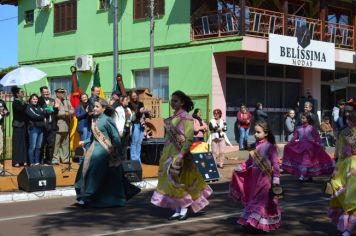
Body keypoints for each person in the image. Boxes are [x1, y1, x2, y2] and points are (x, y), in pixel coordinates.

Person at [151, 91, 212, 221]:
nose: (172, 103)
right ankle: (178, 209)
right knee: (172, 180)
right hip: (169, 153)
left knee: (180, 180)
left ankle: (183, 208)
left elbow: (189, 138)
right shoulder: (172, 118)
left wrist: (181, 154)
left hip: (181, 153)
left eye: (175, 101)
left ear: (182, 102)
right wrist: (164, 151)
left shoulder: (187, 118)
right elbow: (168, 138)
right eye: (172, 100)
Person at [75, 99, 140, 208]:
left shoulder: (107, 120)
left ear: (103, 109)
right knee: (84, 171)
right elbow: (92, 137)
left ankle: (88, 197)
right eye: (94, 106)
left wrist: (119, 153)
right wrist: (84, 141)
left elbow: (115, 137)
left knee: (94, 173)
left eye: (97, 106)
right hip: (93, 149)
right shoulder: (95, 120)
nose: (94, 108)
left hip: (104, 151)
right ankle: (85, 196)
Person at [229, 121, 281, 232]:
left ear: (266, 133)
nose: (255, 134)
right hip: (254, 177)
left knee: (261, 200)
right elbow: (249, 162)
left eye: (258, 132)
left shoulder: (270, 147)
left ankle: (258, 223)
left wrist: (276, 179)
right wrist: (239, 168)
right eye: (255, 132)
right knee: (254, 198)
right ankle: (253, 221)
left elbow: (276, 164)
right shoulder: (254, 147)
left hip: (265, 178)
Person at [327, 99, 356, 236]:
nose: (348, 114)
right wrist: (335, 167)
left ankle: (348, 228)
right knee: (345, 196)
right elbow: (338, 150)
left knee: (353, 196)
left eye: (351, 111)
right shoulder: (345, 128)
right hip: (345, 165)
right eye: (346, 112)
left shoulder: (347, 129)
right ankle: (347, 226)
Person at [282, 113, 334, 181]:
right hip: (301, 147)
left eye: (304, 118)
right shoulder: (299, 128)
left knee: (306, 161)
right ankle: (306, 175)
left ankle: (303, 176)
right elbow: (294, 138)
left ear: (308, 119)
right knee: (304, 161)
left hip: (310, 147)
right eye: (301, 118)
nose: (302, 119)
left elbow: (317, 137)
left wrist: (321, 144)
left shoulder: (311, 128)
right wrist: (289, 144)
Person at [52, 88, 74, 165]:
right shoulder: (54, 101)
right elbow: (54, 113)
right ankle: (55, 159)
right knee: (56, 143)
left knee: (65, 143)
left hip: (67, 125)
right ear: (57, 93)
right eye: (61, 92)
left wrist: (69, 113)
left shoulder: (67, 101)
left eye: (63, 92)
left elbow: (72, 110)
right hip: (58, 124)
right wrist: (65, 113)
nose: (62, 94)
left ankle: (65, 159)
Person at [38, 86, 57, 165]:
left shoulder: (51, 100)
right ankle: (41, 159)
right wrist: (49, 109)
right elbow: (45, 112)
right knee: (42, 144)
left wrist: (55, 109)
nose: (46, 93)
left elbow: (52, 112)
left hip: (51, 125)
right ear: (41, 93)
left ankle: (49, 160)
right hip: (43, 125)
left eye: (47, 92)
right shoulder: (39, 100)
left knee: (51, 144)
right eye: (44, 92)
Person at [25, 94, 46, 166]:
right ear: (30, 100)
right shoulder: (28, 107)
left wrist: (41, 115)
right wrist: (42, 116)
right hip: (33, 129)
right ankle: (31, 162)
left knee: (38, 147)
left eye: (36, 99)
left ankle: (37, 162)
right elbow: (33, 116)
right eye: (33, 99)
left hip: (41, 129)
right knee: (32, 147)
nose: (35, 100)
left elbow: (44, 113)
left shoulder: (39, 107)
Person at [11, 86, 28, 167]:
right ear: (17, 94)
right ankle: (16, 161)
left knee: (23, 143)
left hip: (23, 125)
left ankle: (23, 160)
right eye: (21, 92)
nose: (23, 93)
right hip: (17, 125)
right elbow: (20, 110)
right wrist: (26, 103)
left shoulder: (22, 101)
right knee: (17, 143)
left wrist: (25, 103)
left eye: (23, 92)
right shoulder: (15, 102)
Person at [113, 94, 132, 160]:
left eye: (128, 100)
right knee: (119, 147)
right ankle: (118, 161)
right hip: (121, 130)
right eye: (126, 100)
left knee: (125, 147)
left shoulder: (129, 109)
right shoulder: (118, 109)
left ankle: (124, 161)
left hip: (127, 130)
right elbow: (115, 121)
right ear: (121, 101)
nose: (128, 101)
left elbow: (130, 119)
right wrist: (119, 131)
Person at [128, 91, 146, 163]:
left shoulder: (141, 103)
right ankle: (134, 160)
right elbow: (132, 116)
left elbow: (143, 113)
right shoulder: (129, 104)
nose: (134, 97)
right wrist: (139, 111)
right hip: (134, 124)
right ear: (131, 96)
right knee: (134, 142)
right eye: (133, 96)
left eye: (135, 95)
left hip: (141, 124)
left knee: (139, 142)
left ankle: (138, 159)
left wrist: (144, 115)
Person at [0, 92, 9, 158]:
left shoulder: (2, 102)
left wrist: (6, 112)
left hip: (1, 124)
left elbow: (6, 111)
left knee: (1, 144)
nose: (1, 95)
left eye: (2, 93)